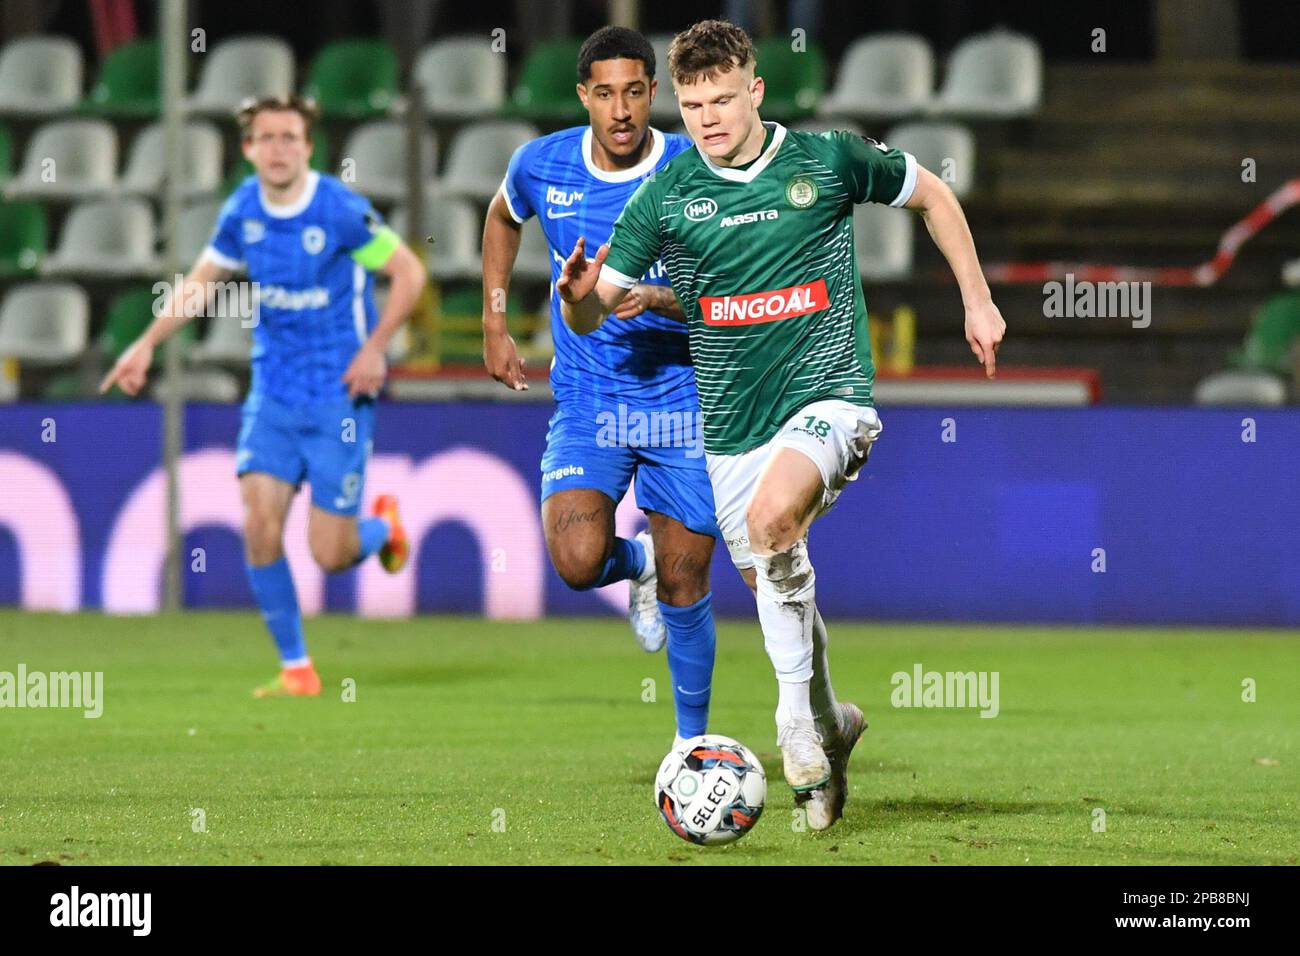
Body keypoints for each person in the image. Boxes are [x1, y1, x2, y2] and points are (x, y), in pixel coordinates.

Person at [556, 20, 1006, 829]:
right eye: (692, 105)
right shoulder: (665, 196)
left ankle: (795, 728)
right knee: (773, 576)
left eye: (722, 99)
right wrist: (576, 297)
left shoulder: (825, 161)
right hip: (730, 432)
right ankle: (835, 730)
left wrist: (977, 298)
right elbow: (596, 313)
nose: (707, 118)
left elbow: (933, 193)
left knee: (772, 526)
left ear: (755, 90)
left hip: (830, 398)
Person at [100, 95, 428, 698]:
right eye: (266, 139)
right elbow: (200, 285)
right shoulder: (242, 210)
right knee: (259, 524)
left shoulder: (338, 209)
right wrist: (145, 344)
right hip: (274, 394)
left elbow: (409, 272)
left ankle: (383, 528)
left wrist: (376, 347)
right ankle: (297, 668)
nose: (278, 149)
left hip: (339, 397)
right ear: (248, 150)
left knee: (329, 554)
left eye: (290, 138)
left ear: (308, 147)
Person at [483, 26, 719, 744]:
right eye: (605, 94)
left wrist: (654, 298)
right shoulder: (540, 165)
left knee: (687, 584)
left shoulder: (694, 169)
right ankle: (632, 559)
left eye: (635, 93)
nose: (621, 110)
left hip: (682, 400)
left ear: (655, 94)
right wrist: (496, 320)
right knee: (578, 561)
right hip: (591, 402)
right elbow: (500, 217)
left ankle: (690, 747)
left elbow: (727, 292)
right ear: (585, 95)